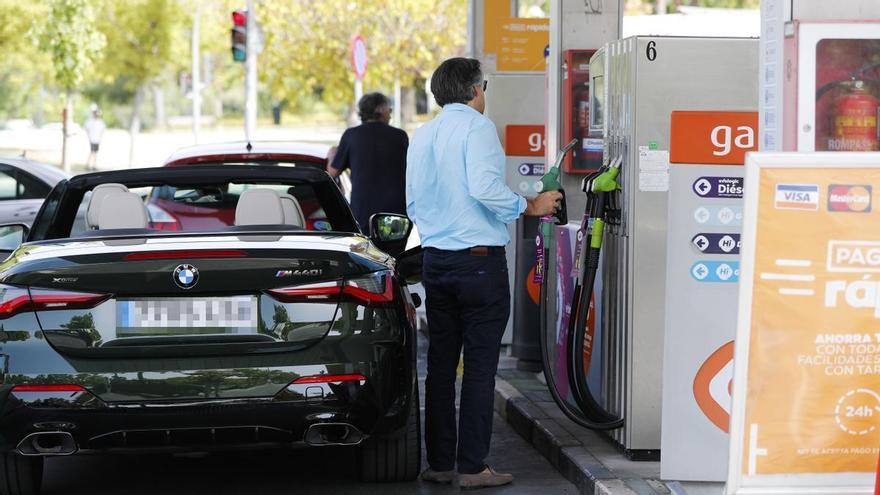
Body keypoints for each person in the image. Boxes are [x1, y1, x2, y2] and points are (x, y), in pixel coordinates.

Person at [406, 57, 562, 489]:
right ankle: (473, 467)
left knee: (440, 366)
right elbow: (484, 188)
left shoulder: (422, 135)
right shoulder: (478, 128)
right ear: (476, 90)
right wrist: (531, 205)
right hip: (478, 263)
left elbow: (413, 203)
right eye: (484, 87)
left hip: (435, 261)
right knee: (478, 366)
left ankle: (440, 464)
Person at [328, 92, 408, 232]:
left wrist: (332, 154)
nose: (390, 114)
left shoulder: (351, 135)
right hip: (396, 212)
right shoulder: (400, 136)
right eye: (389, 110)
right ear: (380, 110)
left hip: (363, 212)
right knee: (396, 246)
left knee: (364, 245)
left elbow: (332, 172)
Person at [83, 106, 106, 171]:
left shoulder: (100, 122)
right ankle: (88, 165)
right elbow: (86, 128)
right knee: (92, 152)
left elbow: (102, 129)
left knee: (95, 153)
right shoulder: (90, 121)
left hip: (97, 139)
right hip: (92, 139)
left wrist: (100, 137)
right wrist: (89, 136)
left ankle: (94, 165)